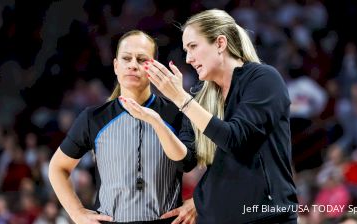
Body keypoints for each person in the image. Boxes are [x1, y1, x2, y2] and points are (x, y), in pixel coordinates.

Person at [122, 9, 298, 224]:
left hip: (266, 217)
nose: (188, 59)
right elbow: (186, 160)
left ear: (220, 43)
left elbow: (235, 139)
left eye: (193, 47)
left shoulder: (263, 79)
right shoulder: (198, 94)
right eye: (186, 50)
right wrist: (156, 122)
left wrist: (181, 100)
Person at [48, 30, 197, 224]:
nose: (133, 65)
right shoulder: (93, 118)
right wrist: (77, 213)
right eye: (126, 58)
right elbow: (58, 167)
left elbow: (205, 164)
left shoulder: (177, 113)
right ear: (116, 66)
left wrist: (196, 201)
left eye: (142, 59)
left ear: (154, 67)